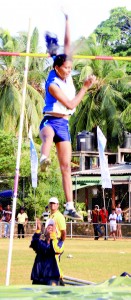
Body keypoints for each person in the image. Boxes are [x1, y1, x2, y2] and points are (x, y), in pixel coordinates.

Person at [39, 12, 96, 220]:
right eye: (66, 69)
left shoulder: (63, 65)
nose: (69, 71)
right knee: (47, 136)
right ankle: (44, 158)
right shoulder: (53, 84)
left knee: (65, 167)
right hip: (50, 119)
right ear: (56, 67)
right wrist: (85, 87)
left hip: (64, 123)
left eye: (71, 68)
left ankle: (69, 206)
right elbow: (71, 103)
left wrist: (67, 21)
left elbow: (67, 44)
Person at [30, 218, 64, 286]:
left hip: (52, 277)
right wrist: (38, 230)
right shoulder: (40, 243)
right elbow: (34, 243)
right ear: (44, 232)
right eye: (48, 227)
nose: (50, 228)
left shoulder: (59, 243)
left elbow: (55, 250)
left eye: (53, 228)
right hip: (38, 277)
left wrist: (53, 236)